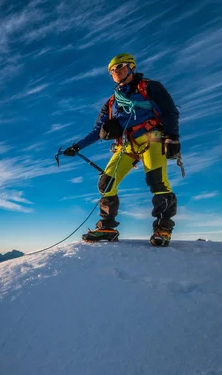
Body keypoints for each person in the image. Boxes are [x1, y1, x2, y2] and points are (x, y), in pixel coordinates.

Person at [62, 53, 181, 247]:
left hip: (151, 138)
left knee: (157, 181)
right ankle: (107, 228)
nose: (115, 71)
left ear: (131, 67)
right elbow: (97, 131)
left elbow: (169, 111)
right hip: (126, 145)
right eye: (111, 69)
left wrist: (173, 138)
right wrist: (77, 147)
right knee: (106, 182)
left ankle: (162, 228)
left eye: (120, 66)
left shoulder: (150, 87)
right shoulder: (111, 103)